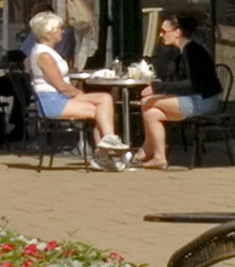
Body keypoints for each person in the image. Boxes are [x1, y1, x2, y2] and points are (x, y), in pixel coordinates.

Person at [24, 12, 127, 167]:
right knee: (102, 109)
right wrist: (80, 94)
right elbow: (60, 86)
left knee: (104, 100)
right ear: (49, 32)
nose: (62, 32)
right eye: (59, 28)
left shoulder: (48, 52)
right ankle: (105, 151)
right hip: (52, 100)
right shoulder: (43, 55)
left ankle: (106, 145)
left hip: (59, 97)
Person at [139, 10, 224, 168]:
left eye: (164, 31)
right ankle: (159, 157)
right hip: (193, 98)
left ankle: (145, 150)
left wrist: (157, 88)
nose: (161, 35)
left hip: (204, 100)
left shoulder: (194, 51)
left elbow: (192, 83)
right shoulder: (179, 52)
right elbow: (167, 74)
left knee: (148, 101)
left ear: (177, 32)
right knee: (152, 114)